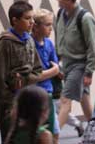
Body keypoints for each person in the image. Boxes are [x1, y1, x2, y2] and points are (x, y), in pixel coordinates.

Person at [0, 1, 43, 143]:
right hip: (10, 102)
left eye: (32, 18)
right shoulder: (5, 42)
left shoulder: (29, 40)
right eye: (27, 18)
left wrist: (27, 81)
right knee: (11, 139)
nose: (31, 22)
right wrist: (7, 101)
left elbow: (37, 69)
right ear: (15, 20)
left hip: (28, 99)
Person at [54, 0, 95, 129]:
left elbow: (92, 46)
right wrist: (58, 62)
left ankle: (54, 138)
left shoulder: (85, 18)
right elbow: (59, 39)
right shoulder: (60, 14)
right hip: (66, 64)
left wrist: (89, 71)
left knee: (65, 101)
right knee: (85, 100)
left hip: (79, 65)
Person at [31, 9, 60, 143]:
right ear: (36, 26)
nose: (51, 29)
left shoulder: (49, 44)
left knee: (54, 133)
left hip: (48, 92)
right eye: (47, 25)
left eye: (51, 25)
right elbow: (34, 74)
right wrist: (54, 71)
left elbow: (55, 66)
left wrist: (59, 71)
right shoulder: (29, 44)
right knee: (38, 134)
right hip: (34, 94)